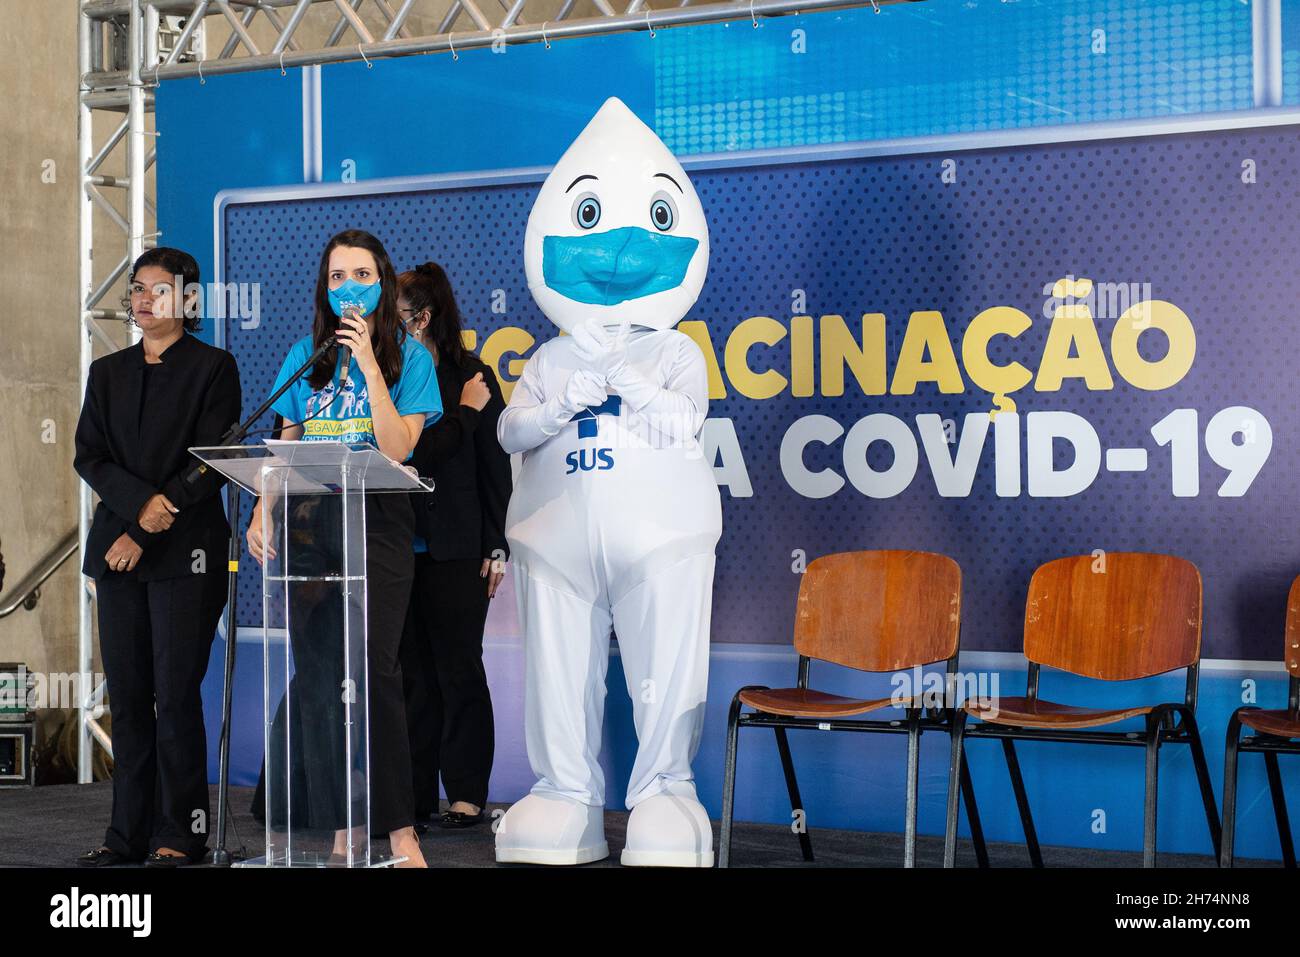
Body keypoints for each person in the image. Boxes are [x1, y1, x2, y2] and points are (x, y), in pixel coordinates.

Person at [246, 229, 442, 868]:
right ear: (324, 288)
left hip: (379, 524)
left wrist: (367, 368)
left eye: (361, 274)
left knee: (374, 676)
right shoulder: (305, 356)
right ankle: (341, 829)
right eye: (336, 277)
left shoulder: (410, 357)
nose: (348, 286)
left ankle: (399, 832)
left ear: (381, 282)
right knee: (322, 680)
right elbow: (285, 446)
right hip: (312, 525)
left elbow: (399, 446)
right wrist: (263, 509)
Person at [73, 247, 242, 867]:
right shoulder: (108, 372)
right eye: (136, 290)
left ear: (189, 300)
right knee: (129, 696)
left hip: (185, 556)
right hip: (115, 553)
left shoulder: (213, 367)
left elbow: (211, 461)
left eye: (158, 290)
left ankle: (182, 832)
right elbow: (89, 455)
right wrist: (137, 509)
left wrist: (148, 524)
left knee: (174, 697)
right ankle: (126, 836)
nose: (143, 300)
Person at [395, 262, 511, 830]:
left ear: (425, 315)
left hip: (460, 544)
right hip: (397, 544)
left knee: (459, 668)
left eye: (396, 313)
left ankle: (466, 794)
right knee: (410, 676)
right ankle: (412, 799)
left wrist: (498, 545)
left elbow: (496, 467)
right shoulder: (387, 374)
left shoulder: (473, 374)